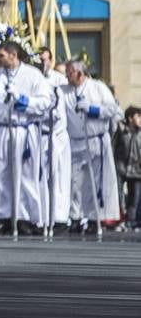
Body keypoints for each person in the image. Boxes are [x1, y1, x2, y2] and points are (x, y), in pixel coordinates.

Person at [0, 42, 53, 235]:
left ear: (13, 55)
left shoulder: (33, 75)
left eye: (1, 56)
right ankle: (2, 216)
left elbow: (46, 102)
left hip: (22, 130)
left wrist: (24, 101)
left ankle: (25, 217)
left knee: (25, 176)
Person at [63, 60, 121, 232]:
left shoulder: (98, 87)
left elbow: (114, 110)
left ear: (80, 73)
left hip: (96, 140)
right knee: (75, 182)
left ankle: (94, 218)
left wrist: (93, 110)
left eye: (70, 72)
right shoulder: (65, 91)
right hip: (76, 141)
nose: (67, 76)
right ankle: (75, 216)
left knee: (95, 182)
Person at [37, 48, 72, 231]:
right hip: (40, 135)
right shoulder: (35, 78)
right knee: (41, 178)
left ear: (50, 60)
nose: (43, 63)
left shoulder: (59, 81)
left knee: (58, 179)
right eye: (40, 60)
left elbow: (59, 110)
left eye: (45, 60)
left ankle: (58, 216)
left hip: (56, 136)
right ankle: (42, 215)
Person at [117, 107, 141, 228]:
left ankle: (131, 220)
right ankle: (120, 218)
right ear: (130, 118)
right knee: (118, 194)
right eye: (138, 116)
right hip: (122, 168)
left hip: (137, 170)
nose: (140, 119)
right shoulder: (121, 131)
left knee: (134, 197)